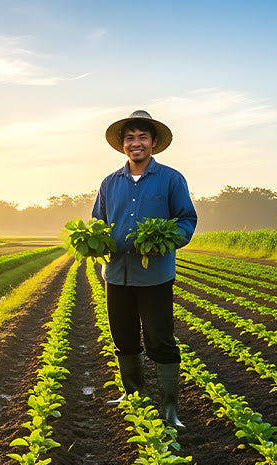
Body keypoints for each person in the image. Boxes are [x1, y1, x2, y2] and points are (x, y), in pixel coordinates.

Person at [92, 109, 197, 428]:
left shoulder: (171, 179)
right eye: (129, 138)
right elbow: (98, 223)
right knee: (123, 337)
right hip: (117, 275)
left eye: (142, 137)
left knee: (160, 341)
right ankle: (133, 393)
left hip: (155, 276)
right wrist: (95, 243)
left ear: (153, 143)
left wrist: (167, 240)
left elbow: (186, 219)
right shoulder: (109, 183)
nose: (135, 142)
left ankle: (169, 408)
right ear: (123, 145)